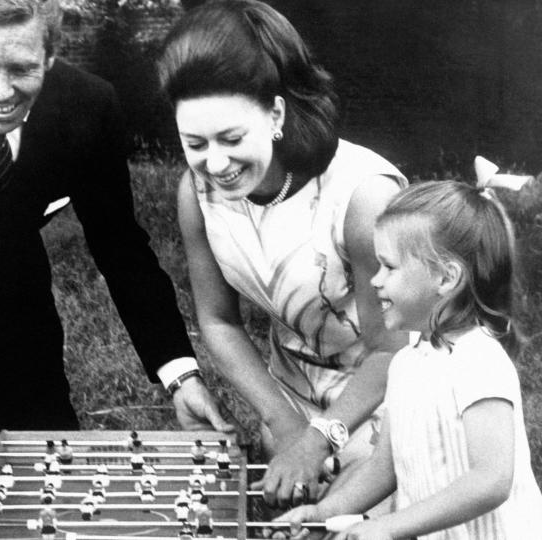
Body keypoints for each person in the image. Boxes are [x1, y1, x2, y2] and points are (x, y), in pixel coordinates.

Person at [0, 0, 232, 486]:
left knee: (56, 490)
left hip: (17, 324)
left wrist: (180, 375)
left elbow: (120, 246)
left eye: (21, 69)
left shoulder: (89, 104)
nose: (1, 90)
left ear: (51, 56)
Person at [155, 0, 410, 508]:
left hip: (387, 389)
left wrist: (320, 439)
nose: (216, 163)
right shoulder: (196, 193)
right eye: (195, 143)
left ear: (275, 113)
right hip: (291, 389)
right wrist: (288, 425)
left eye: (231, 138)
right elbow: (219, 322)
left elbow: (392, 349)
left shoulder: (362, 198)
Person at [278, 173, 542, 539]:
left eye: (389, 267)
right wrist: (323, 513)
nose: (375, 280)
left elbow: (491, 480)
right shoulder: (408, 361)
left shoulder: (479, 360)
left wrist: (389, 527)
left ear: (445, 278)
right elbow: (385, 466)